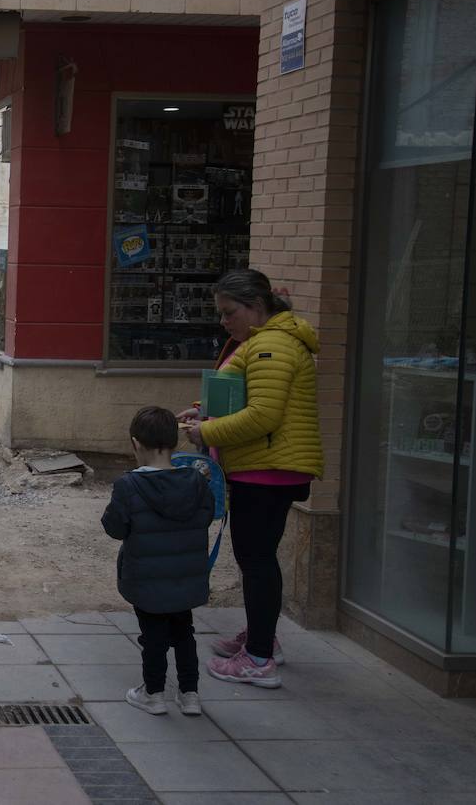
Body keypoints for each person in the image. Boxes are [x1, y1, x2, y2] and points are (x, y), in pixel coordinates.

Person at [180, 268, 323, 689]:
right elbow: (243, 397)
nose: (224, 322)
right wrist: (204, 412)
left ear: (256, 307)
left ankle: (259, 657)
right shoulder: (265, 343)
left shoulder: (270, 347)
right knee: (256, 559)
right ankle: (262, 638)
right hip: (266, 467)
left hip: (266, 470)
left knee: (257, 561)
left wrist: (206, 432)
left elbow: (262, 415)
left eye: (229, 313)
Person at [102, 407, 214, 717]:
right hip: (187, 576)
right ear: (175, 443)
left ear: (136, 444)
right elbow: (207, 516)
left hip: (147, 577)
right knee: (184, 633)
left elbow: (114, 528)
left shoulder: (129, 485)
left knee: (153, 637)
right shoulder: (196, 480)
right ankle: (190, 694)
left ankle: (153, 694)